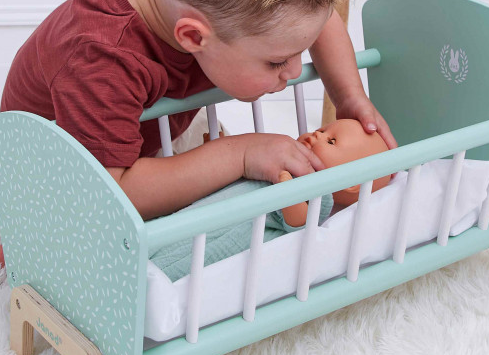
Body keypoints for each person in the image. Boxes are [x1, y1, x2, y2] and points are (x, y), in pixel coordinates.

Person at [0, 0, 398, 279]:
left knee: (226, 191)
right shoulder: (103, 60)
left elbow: (320, 20)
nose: (295, 71)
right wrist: (240, 154)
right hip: (65, 173)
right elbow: (114, 191)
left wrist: (349, 96)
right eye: (276, 62)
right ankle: (23, 253)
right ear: (193, 37)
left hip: (131, 134)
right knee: (110, 241)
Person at [149, 118, 395, 282]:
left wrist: (286, 187)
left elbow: (300, 222)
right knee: (166, 229)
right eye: (321, 131)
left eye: (330, 141)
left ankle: (146, 281)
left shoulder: (317, 195)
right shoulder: (277, 158)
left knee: (179, 260)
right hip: (207, 211)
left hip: (226, 233)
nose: (315, 136)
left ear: (352, 184)